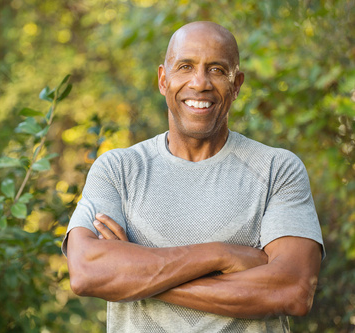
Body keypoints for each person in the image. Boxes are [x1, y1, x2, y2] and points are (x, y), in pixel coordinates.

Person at [62, 21, 324, 332]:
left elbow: (293, 290)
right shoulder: (118, 169)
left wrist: (134, 274)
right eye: (185, 66)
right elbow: (85, 273)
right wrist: (221, 254)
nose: (199, 83)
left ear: (237, 84)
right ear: (163, 79)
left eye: (216, 69)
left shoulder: (277, 169)